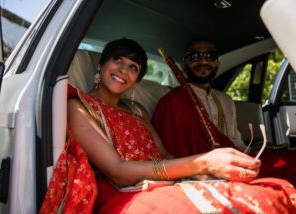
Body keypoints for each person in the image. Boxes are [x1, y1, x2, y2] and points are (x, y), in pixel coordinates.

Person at [40, 38, 296, 213]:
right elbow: (117, 170)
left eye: (133, 67)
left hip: (162, 180)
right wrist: (201, 163)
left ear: (136, 80)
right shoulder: (79, 106)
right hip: (123, 190)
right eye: (117, 60)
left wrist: (199, 174)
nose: (123, 70)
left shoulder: (137, 110)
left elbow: (164, 155)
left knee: (267, 194)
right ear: (101, 64)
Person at [153, 38, 296, 186]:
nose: (203, 61)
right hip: (205, 173)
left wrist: (254, 151)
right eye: (195, 56)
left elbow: (236, 142)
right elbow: (173, 156)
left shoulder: (225, 100)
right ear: (183, 65)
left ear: (217, 64)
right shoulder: (172, 102)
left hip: (238, 161)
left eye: (210, 56)